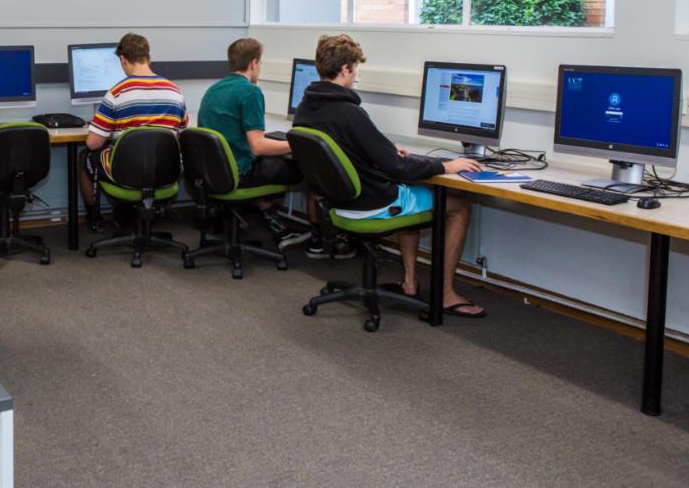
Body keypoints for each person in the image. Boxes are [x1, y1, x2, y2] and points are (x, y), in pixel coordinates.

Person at [293, 34, 486, 318]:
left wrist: (385, 151)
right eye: (355, 69)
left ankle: (410, 282)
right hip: (369, 206)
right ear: (345, 69)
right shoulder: (349, 112)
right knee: (457, 204)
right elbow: (398, 167)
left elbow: (344, 150)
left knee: (410, 188)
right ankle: (445, 294)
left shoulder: (305, 108)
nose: (355, 75)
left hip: (337, 206)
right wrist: (447, 166)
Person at [197, 38, 312, 251]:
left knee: (270, 160)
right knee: (298, 168)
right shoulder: (250, 92)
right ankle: (319, 239)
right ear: (253, 64)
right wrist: (296, 145)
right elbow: (258, 147)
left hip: (213, 173)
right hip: (238, 173)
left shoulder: (215, 89)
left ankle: (275, 222)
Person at [80, 33, 188, 229]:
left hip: (127, 174)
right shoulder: (175, 92)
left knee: (86, 155)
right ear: (149, 57)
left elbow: (92, 143)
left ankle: (94, 219)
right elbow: (182, 134)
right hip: (165, 173)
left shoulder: (117, 93)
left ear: (123, 59)